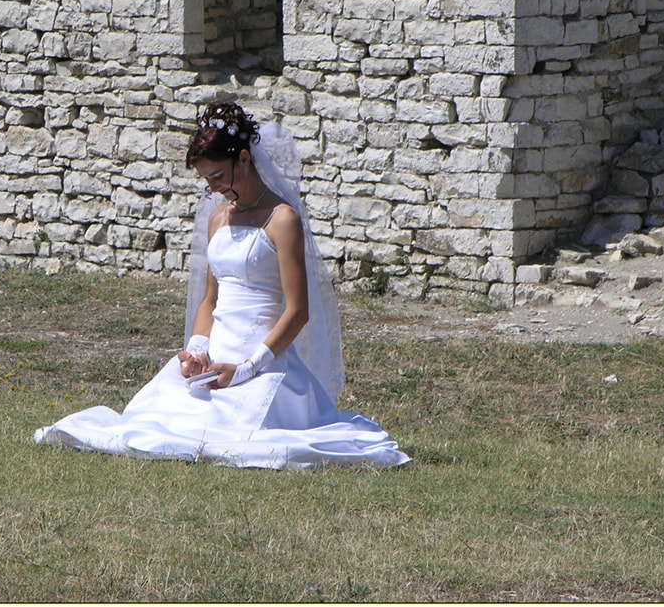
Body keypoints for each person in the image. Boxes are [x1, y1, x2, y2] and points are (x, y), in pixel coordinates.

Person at [33, 103, 409, 469]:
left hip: (260, 358)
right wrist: (197, 349)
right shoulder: (217, 219)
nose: (213, 189)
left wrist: (246, 369)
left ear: (243, 159)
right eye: (206, 180)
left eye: (217, 176)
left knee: (241, 438)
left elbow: (298, 311)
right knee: (150, 424)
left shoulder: (282, 219)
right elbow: (210, 300)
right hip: (214, 357)